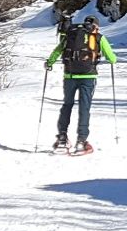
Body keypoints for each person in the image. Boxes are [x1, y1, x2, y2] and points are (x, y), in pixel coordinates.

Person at [45, 16, 117, 154]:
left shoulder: (70, 34)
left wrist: (49, 63)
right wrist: (111, 59)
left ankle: (62, 138)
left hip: (69, 76)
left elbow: (58, 50)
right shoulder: (98, 37)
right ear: (96, 26)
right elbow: (112, 58)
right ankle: (81, 141)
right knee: (84, 107)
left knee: (67, 105)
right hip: (88, 76)